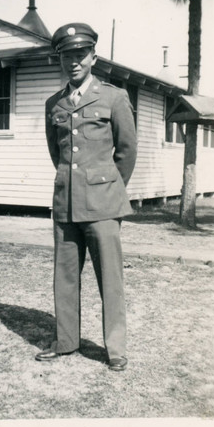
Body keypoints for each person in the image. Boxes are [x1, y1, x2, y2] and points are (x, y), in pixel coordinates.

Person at [35, 23, 137, 371]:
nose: (74, 62)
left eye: (81, 55)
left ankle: (116, 349)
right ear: (59, 59)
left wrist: (105, 187)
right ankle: (66, 341)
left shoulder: (114, 97)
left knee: (110, 278)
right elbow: (58, 153)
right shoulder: (54, 103)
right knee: (64, 277)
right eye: (67, 56)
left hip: (104, 205)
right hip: (65, 203)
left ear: (93, 57)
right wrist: (75, 185)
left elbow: (126, 152)